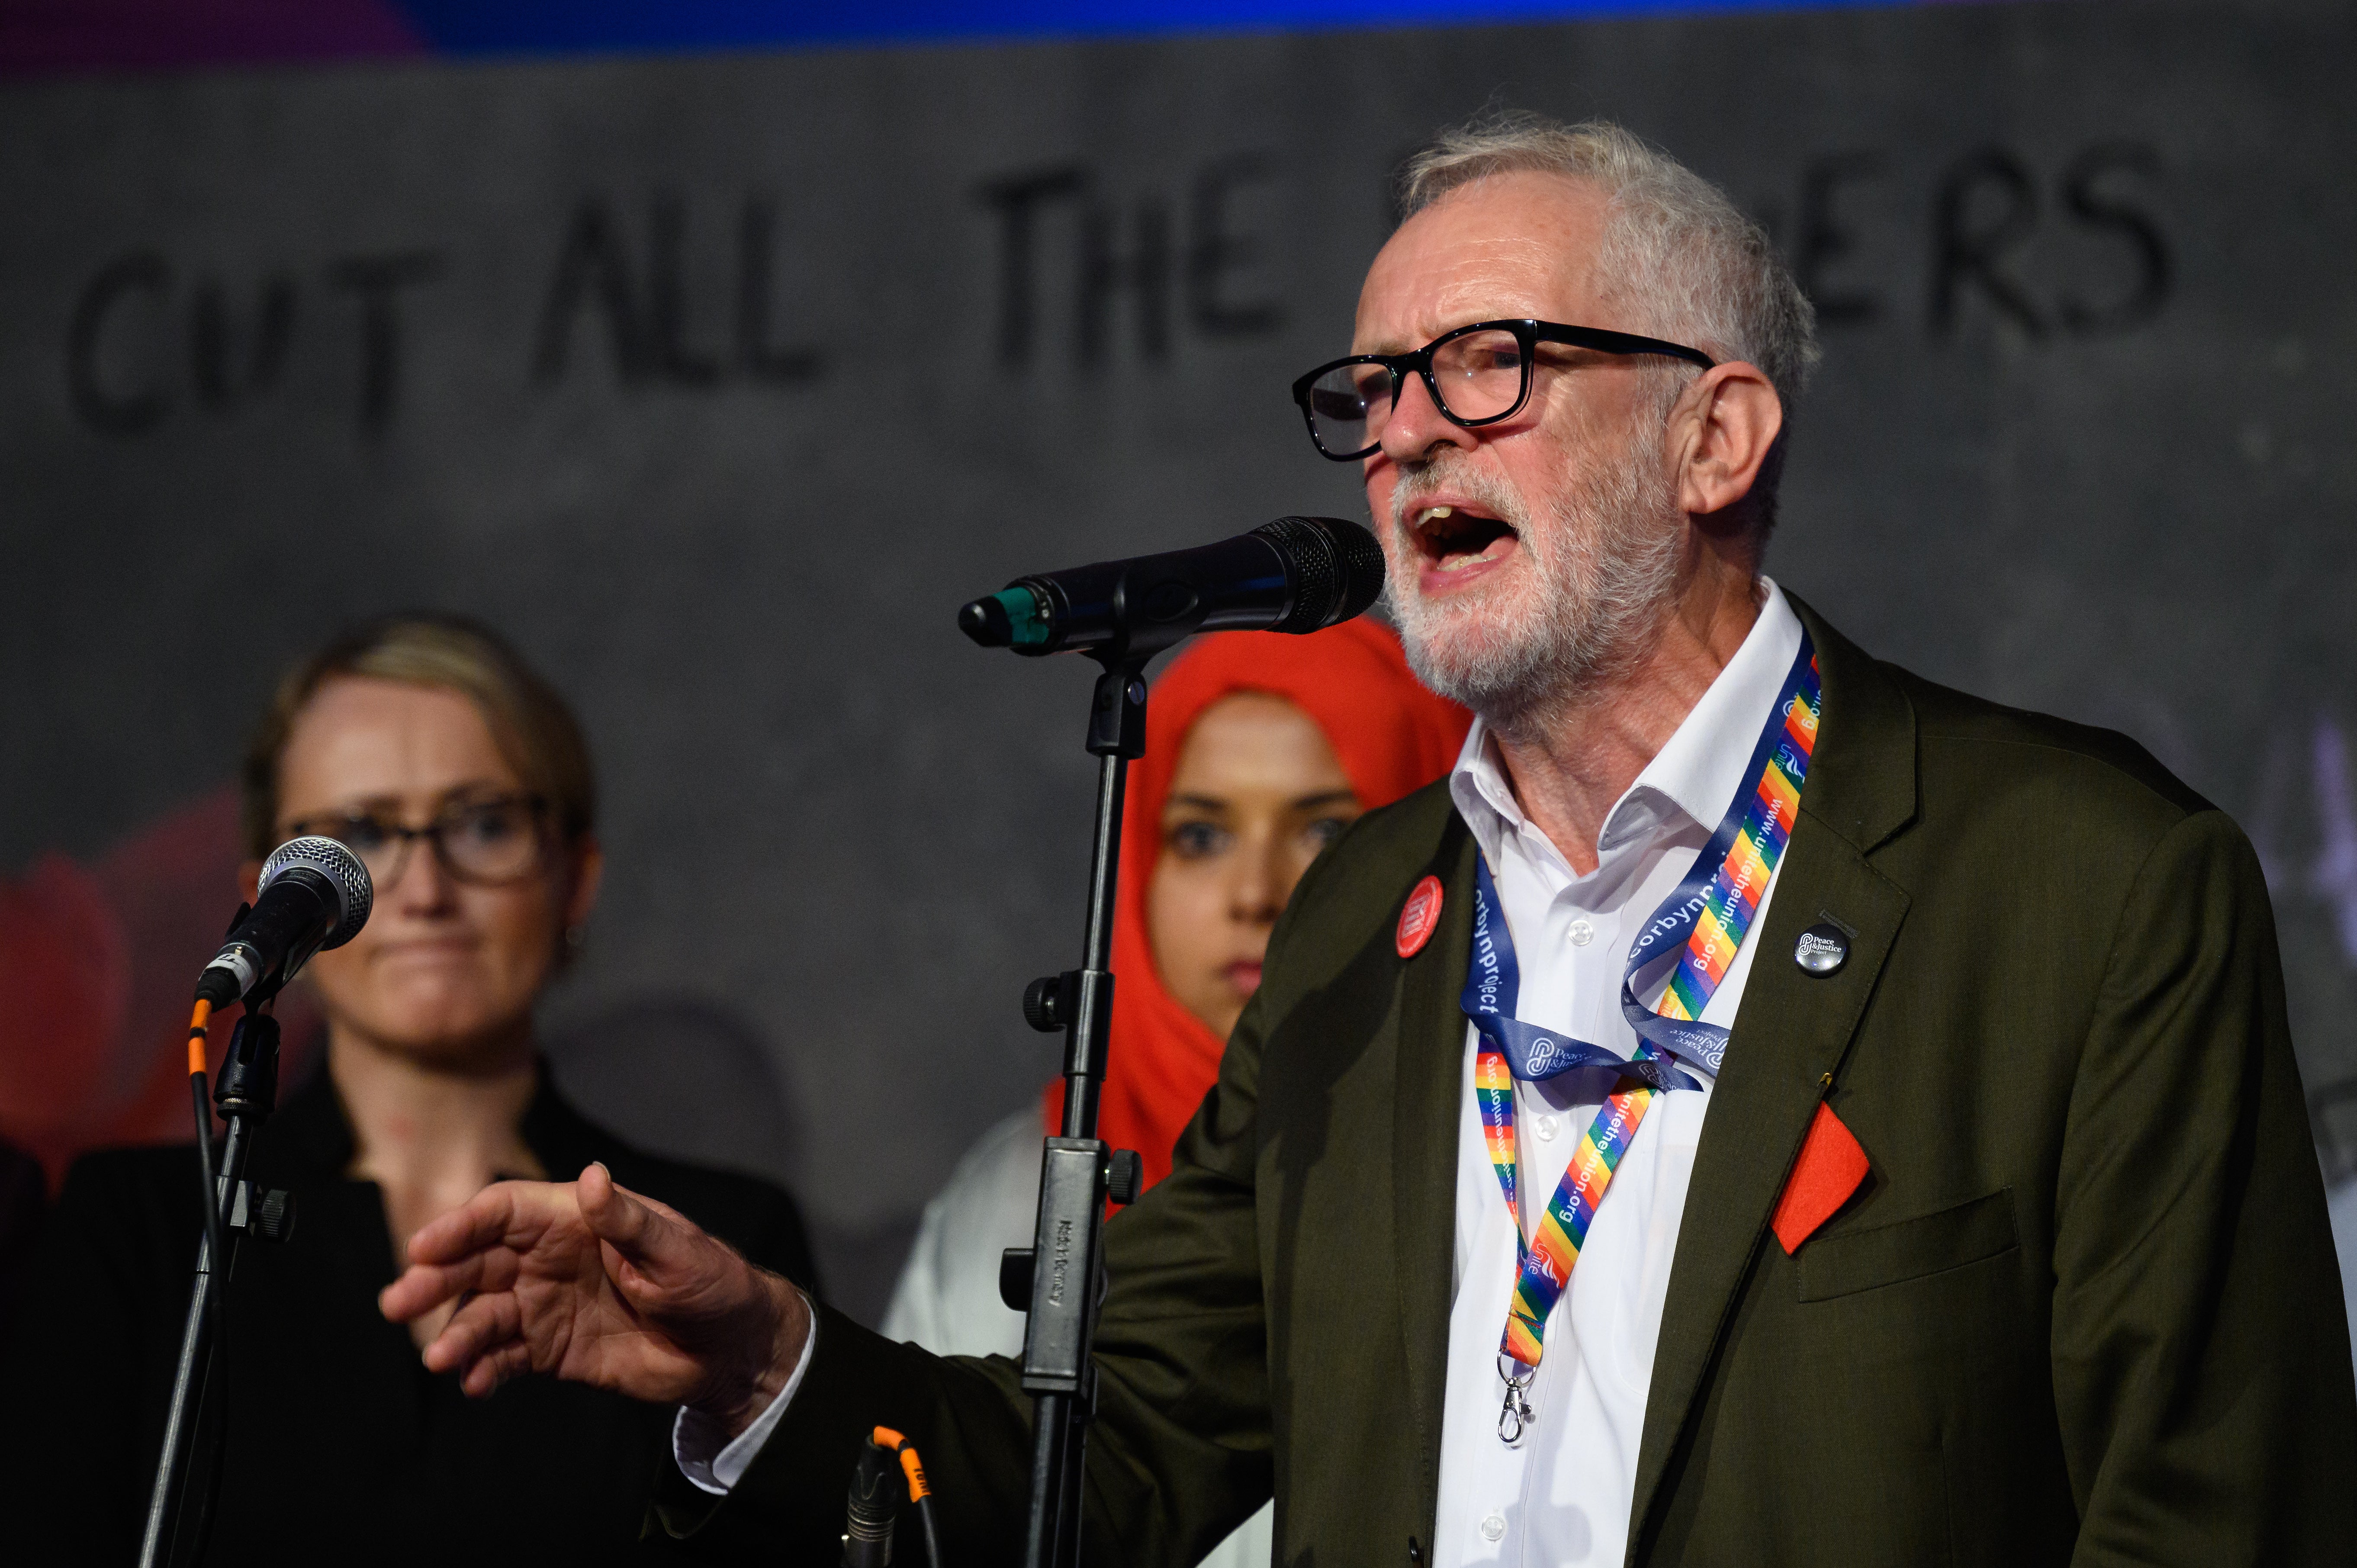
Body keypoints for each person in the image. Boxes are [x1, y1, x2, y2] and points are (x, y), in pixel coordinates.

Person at [381, 115, 2357, 1566]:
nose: (1405, 435)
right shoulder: (1359, 921)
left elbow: (2213, 1515)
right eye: (1373, 390)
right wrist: (772, 1355)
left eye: (1488, 364)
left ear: (1718, 435)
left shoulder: (2081, 884)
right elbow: (1125, 1452)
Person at [0, 614, 819, 1566]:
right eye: (357, 835)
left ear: (575, 880)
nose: (424, 888)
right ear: (273, 900)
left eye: (484, 823)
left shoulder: (722, 1244)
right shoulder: (129, 1228)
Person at [881, 619, 1467, 1568]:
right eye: (1200, 833)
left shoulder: (1503, 1152)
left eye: (1327, 827)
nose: (1254, 892)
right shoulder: (1013, 1193)